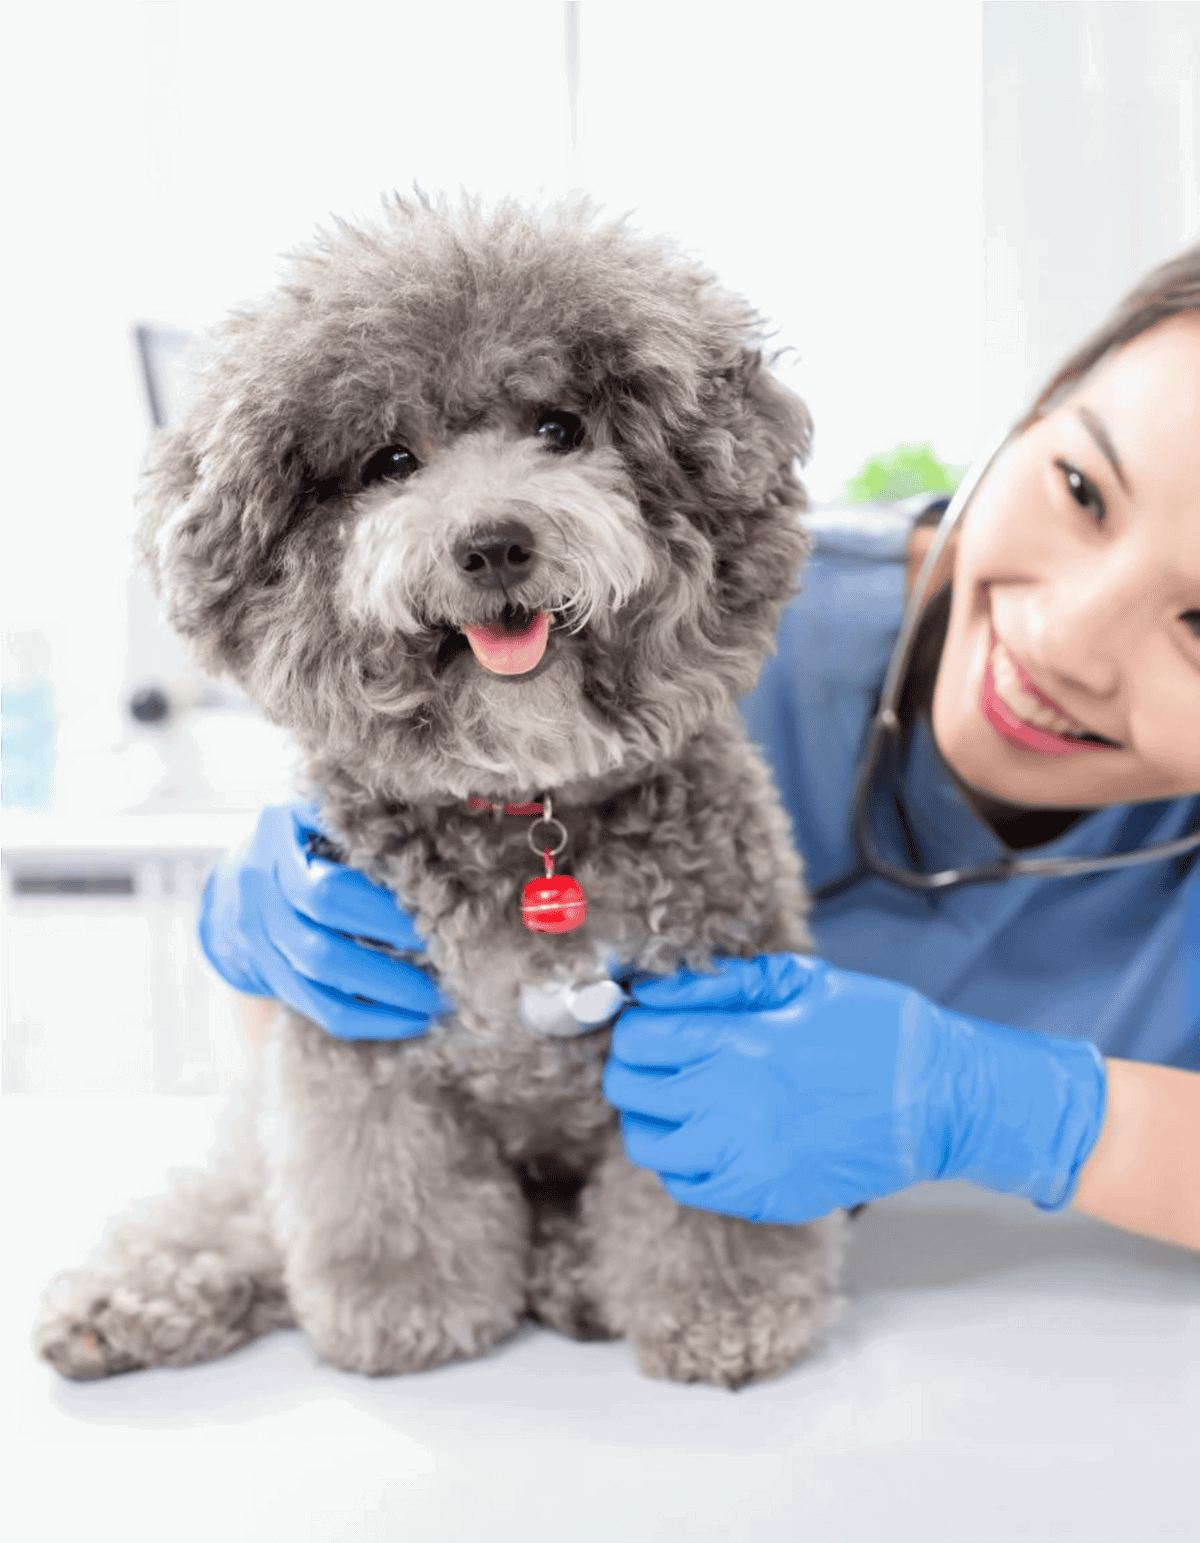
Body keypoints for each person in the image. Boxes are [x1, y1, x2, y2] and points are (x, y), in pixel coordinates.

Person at [199, 245, 1200, 1252]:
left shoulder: (686, 610)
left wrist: (1024, 1112)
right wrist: (268, 969)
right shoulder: (669, 623)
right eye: (1081, 486)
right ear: (1042, 406)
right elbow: (355, 1086)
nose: (1065, 640)